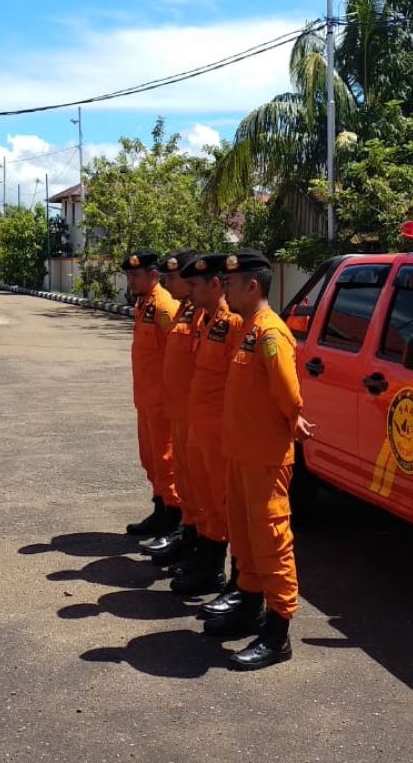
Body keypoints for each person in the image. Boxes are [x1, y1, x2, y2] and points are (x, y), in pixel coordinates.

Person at [203, 249, 313, 671]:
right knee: (246, 538)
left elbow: (288, 392)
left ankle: (278, 631)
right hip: (241, 454)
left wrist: (294, 418)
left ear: (252, 286)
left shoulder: (269, 333)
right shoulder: (247, 329)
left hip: (265, 458)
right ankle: (249, 607)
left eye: (230, 283)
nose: (224, 288)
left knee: (270, 540)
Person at [173, 253, 242, 599]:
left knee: (224, 503)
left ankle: (234, 581)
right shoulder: (205, 317)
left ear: (215, 285)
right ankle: (209, 566)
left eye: (195, 285)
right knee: (204, 497)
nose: (189, 291)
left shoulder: (233, 322)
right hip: (199, 426)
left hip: (219, 431)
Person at [142, 249, 201, 567]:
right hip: (161, 402)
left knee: (184, 476)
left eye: (174, 277)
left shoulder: (173, 309)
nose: (170, 282)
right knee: (160, 464)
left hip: (182, 410)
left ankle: (178, 531)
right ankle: (171, 524)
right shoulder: (182, 310)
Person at [122, 249, 183, 538]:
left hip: (163, 402)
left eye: (136, 275)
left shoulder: (164, 308)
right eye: (129, 275)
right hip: (145, 400)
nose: (131, 280)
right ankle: (160, 511)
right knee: (151, 459)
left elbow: (180, 354)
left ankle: (173, 521)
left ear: (153, 276)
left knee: (166, 461)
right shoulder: (143, 304)